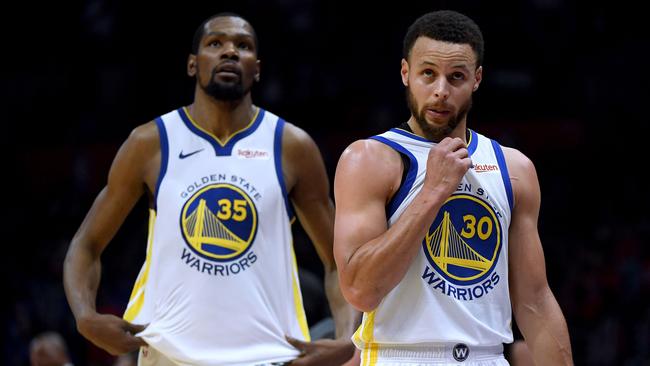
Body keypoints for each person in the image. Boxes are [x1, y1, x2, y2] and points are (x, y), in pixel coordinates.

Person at [64, 12, 358, 366]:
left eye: (243, 46)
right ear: (193, 64)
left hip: (266, 356)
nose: (230, 52)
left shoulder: (291, 146)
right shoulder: (151, 142)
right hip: (167, 354)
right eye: (215, 43)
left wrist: (347, 337)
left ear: (257, 68)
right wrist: (84, 316)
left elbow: (338, 262)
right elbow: (86, 244)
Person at [333, 10, 573, 366]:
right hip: (398, 357)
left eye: (456, 77)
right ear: (405, 73)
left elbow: (535, 303)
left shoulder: (514, 167)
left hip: (487, 358)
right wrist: (432, 192)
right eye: (428, 74)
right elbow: (360, 290)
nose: (441, 91)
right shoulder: (368, 159)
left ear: (476, 79)